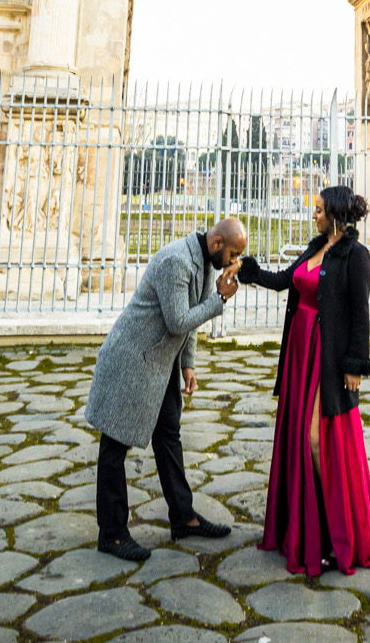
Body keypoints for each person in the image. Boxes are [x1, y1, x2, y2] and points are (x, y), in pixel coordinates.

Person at [238, 186, 370, 577]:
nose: (314, 216)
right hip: (299, 353)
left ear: (337, 214)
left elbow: (360, 314)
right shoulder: (315, 246)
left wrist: (355, 364)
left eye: (320, 210)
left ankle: (334, 533)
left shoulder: (356, 257)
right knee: (298, 440)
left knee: (316, 441)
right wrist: (246, 269)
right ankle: (307, 531)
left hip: (326, 357)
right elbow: (284, 281)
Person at [85, 217, 249, 562]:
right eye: (233, 252)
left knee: (168, 438)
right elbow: (179, 320)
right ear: (217, 243)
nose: (234, 261)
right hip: (131, 363)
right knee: (114, 446)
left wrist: (187, 363)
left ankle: (183, 517)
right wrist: (219, 299)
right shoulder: (176, 261)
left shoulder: (202, 261)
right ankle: (112, 534)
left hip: (160, 367)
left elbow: (188, 322)